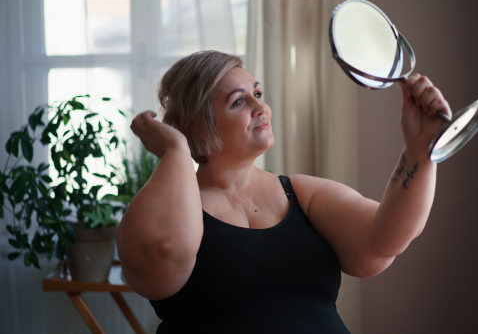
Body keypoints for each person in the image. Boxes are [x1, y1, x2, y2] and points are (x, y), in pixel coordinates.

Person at [117, 50, 451, 333]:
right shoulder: (172, 211)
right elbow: (163, 257)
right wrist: (175, 148)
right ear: (199, 127)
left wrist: (420, 149)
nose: (259, 107)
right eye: (238, 101)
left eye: (257, 94)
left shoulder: (302, 192)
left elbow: (385, 239)